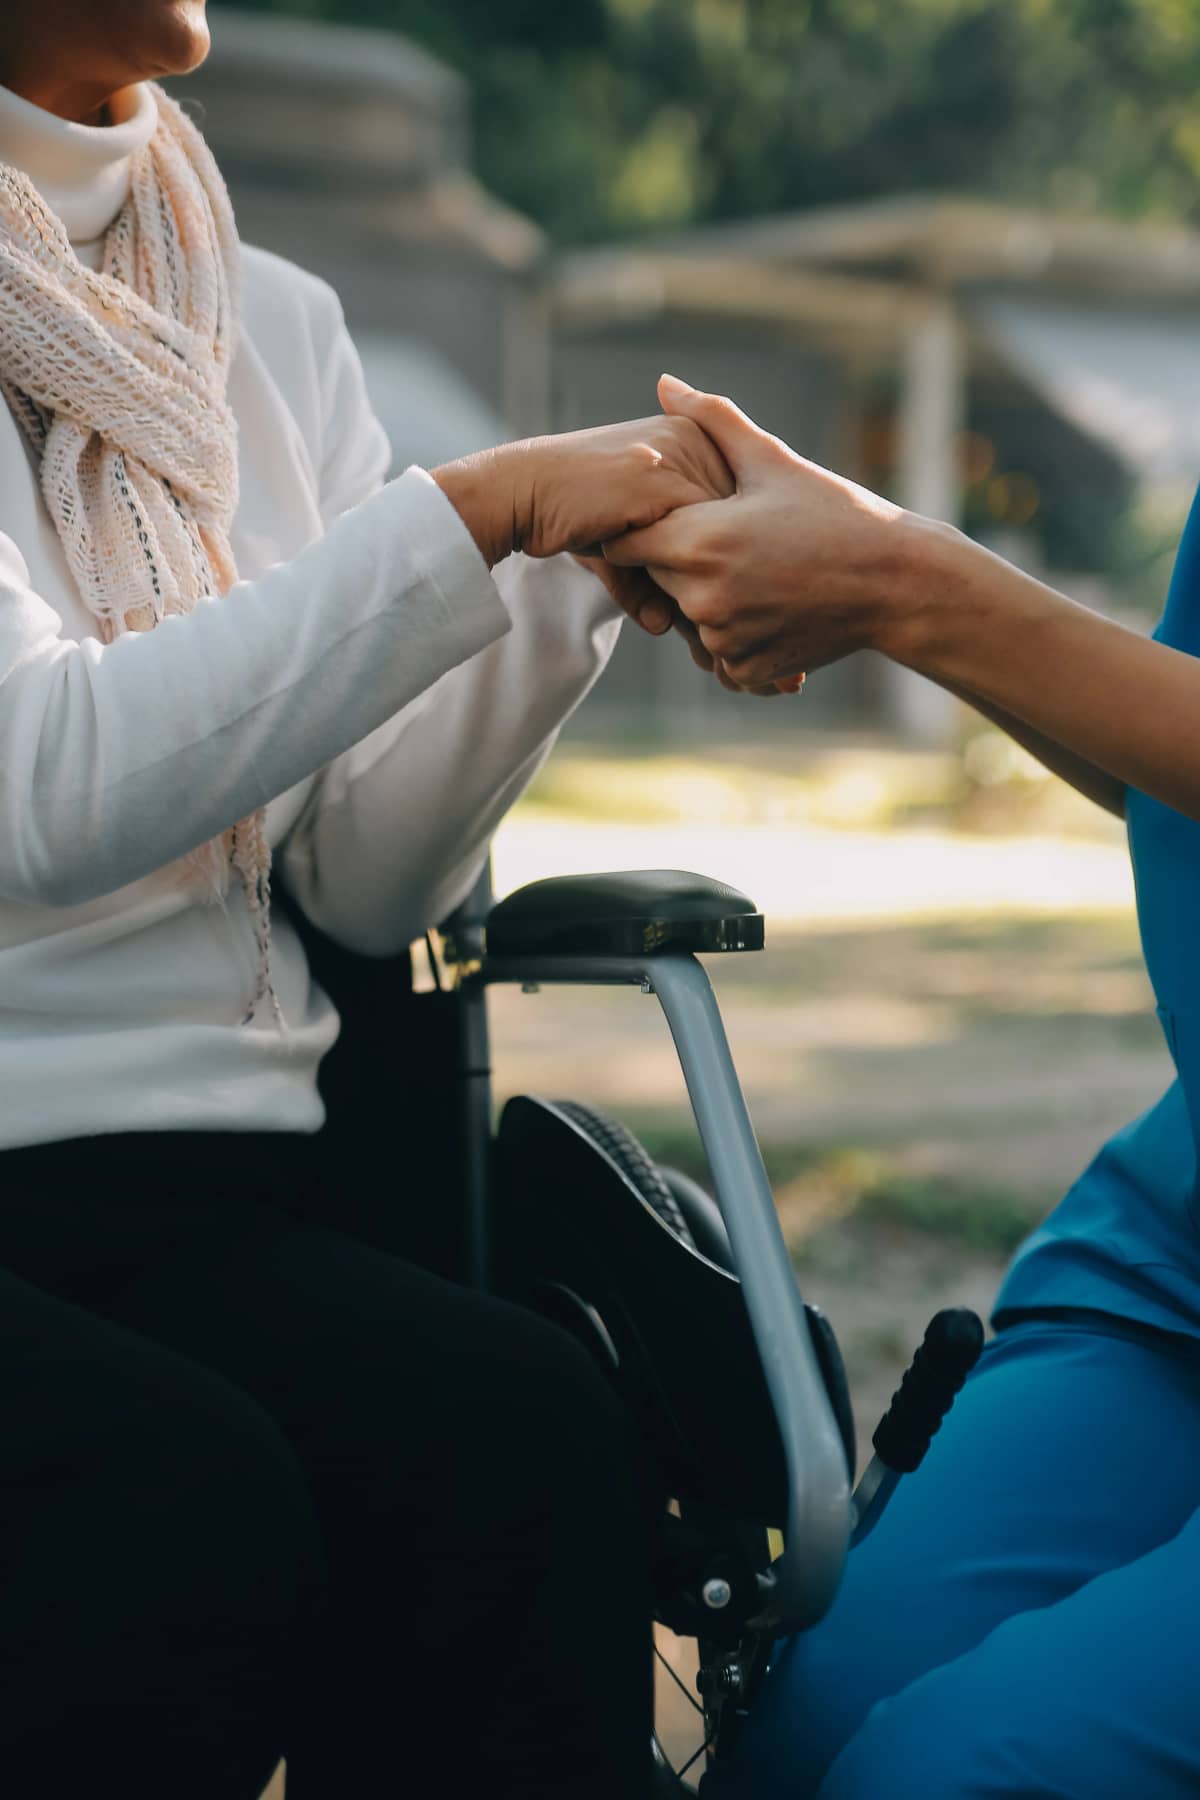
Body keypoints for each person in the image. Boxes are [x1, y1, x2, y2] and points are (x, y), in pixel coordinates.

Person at [0, 8, 738, 1796]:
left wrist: (564, 578)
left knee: (519, 1428)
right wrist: (468, 517)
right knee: (177, 1495)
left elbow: (357, 867)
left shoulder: (274, 318)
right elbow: (45, 787)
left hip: (200, 1185)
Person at [607, 375, 1200, 1798]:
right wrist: (878, 575)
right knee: (805, 1725)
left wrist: (903, 578)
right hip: (1174, 1267)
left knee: (953, 1772)